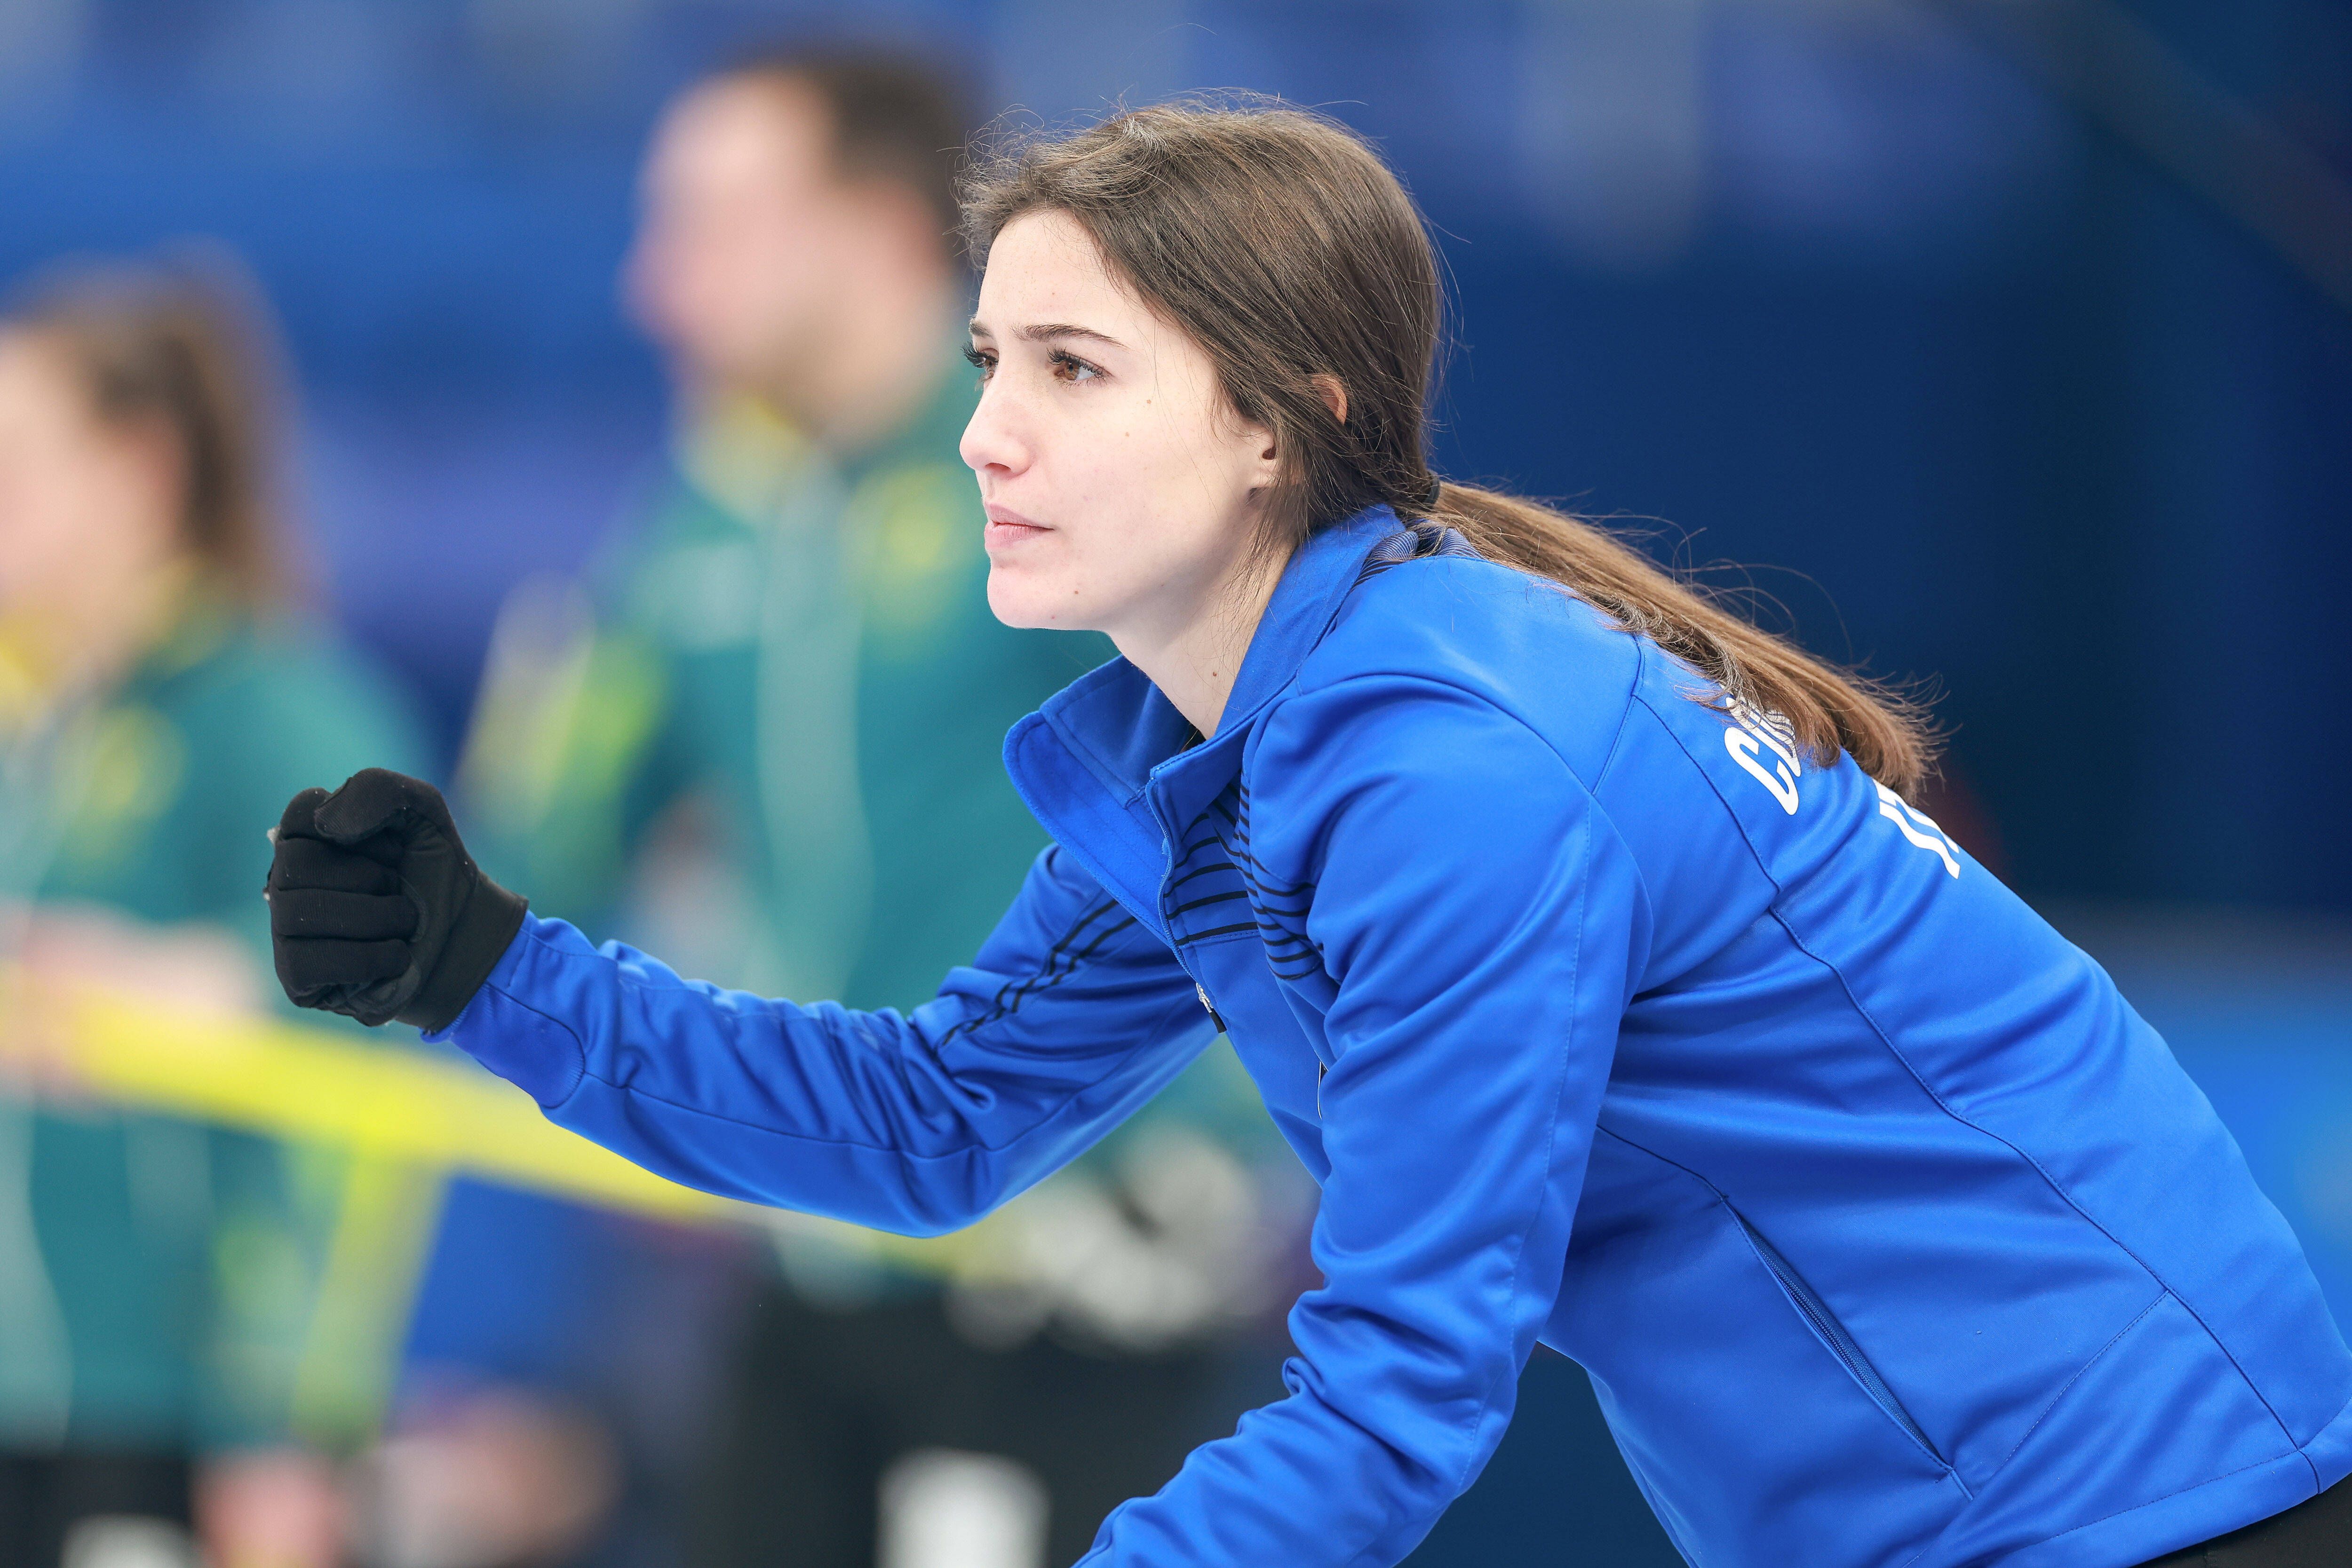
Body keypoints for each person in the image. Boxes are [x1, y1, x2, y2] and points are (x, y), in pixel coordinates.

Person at [262, 99, 2352, 1568]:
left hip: (2130, 1497)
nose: (984, 431)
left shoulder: (1448, 767)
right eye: (988, 360)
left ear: (1282, 419)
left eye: (1074, 369)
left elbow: (1401, 1383)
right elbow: (934, 1121)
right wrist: (489, 973)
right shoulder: (1236, 743)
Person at [423, 48, 1298, 1568]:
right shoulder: (701, 524)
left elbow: (1274, 786)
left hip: (1067, 1273)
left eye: (710, 225)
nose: (653, 287)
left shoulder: (1075, 470)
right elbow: (534, 852)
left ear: (880, 231)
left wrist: (1225, 1141)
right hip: (815, 1265)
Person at [0, 260, 429, 1568]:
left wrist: (286, 1420)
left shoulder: (278, 713)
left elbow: (380, 1029)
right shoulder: (40, 728)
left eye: (14, 463)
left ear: (141, 472)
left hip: (167, 1415)